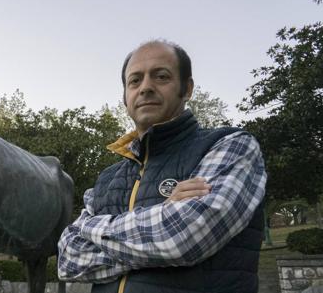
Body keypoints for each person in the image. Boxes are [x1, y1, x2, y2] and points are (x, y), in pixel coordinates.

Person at [57, 40, 266, 293]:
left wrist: (85, 228)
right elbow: (68, 259)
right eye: (135, 81)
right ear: (125, 98)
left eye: (161, 76)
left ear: (186, 88)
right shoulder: (107, 178)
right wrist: (162, 217)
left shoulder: (230, 145)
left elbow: (181, 238)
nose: (145, 87)